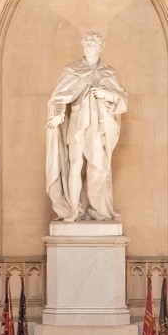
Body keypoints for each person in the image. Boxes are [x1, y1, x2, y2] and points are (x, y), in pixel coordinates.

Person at [45, 31, 128, 222]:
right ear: (83, 45)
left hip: (98, 128)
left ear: (101, 47)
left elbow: (122, 99)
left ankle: (97, 209)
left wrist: (106, 94)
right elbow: (59, 97)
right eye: (87, 42)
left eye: (94, 42)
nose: (90, 45)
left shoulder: (109, 72)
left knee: (96, 167)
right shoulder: (71, 70)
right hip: (76, 123)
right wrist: (57, 114)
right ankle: (73, 210)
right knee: (74, 164)